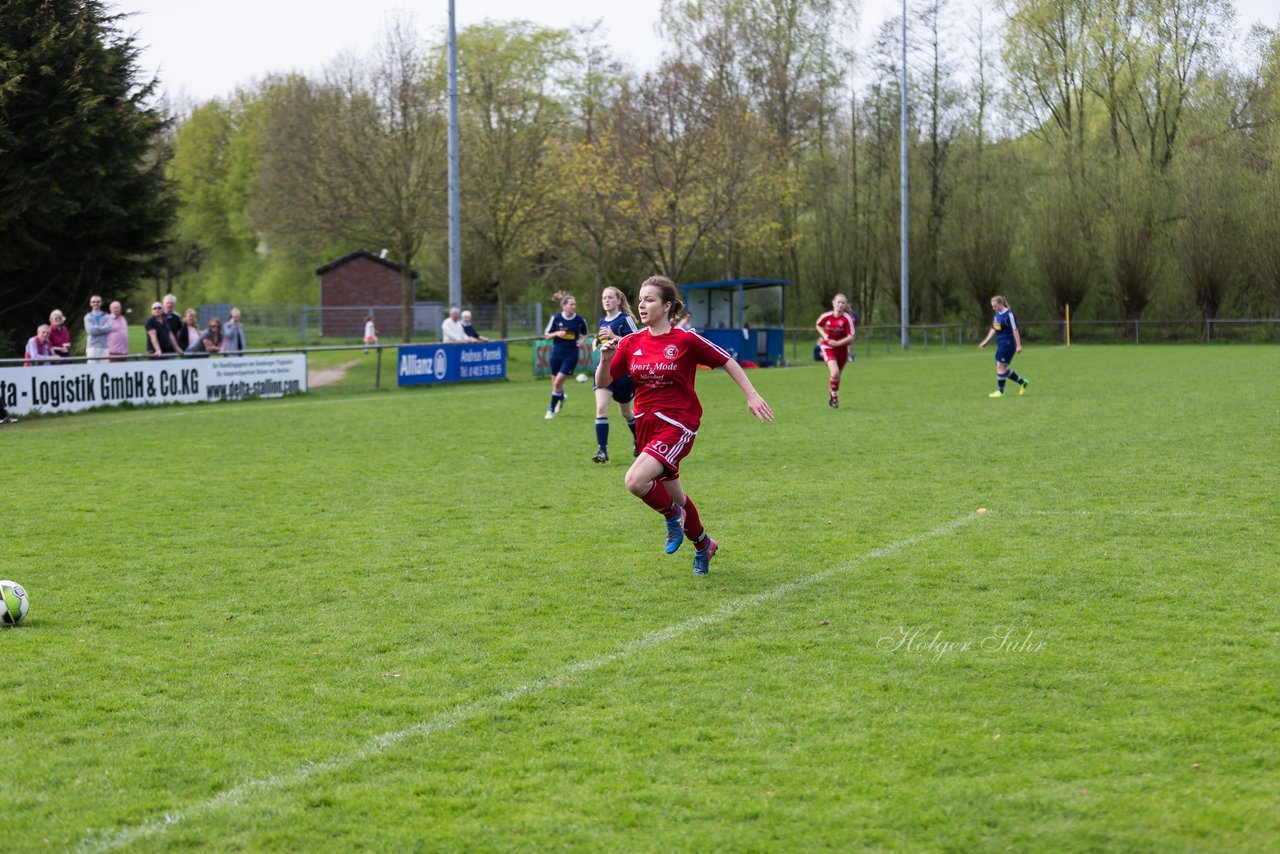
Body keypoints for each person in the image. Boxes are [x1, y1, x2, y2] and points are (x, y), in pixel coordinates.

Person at [595, 276, 773, 575]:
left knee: (635, 481)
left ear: (667, 306)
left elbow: (726, 360)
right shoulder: (630, 343)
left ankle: (672, 516)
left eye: (649, 299)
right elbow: (603, 382)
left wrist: (751, 394)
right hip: (646, 426)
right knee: (677, 495)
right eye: (640, 299)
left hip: (678, 424)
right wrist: (604, 359)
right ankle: (704, 545)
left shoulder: (685, 340)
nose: (642, 304)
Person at [591, 286, 639, 463]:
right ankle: (602, 451)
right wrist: (598, 341)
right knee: (601, 408)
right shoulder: (602, 321)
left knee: (626, 413)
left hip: (623, 373)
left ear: (618, 301)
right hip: (604, 370)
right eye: (604, 298)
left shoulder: (626, 320)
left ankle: (638, 439)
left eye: (610, 297)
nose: (606, 300)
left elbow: (638, 343)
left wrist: (614, 335)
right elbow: (605, 342)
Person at [543, 294, 589, 419]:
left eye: (574, 304)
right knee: (555, 384)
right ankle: (561, 397)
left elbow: (585, 334)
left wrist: (582, 341)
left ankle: (551, 409)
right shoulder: (556, 318)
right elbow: (547, 335)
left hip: (571, 354)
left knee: (558, 382)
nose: (573, 306)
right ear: (563, 306)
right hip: (556, 353)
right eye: (570, 304)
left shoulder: (579, 320)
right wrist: (557, 333)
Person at [978, 295, 1029, 398]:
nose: (993, 308)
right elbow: (994, 328)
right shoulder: (997, 314)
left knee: (1000, 366)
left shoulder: (1009, 315)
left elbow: (1015, 330)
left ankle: (1000, 391)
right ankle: (1022, 382)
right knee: (1001, 367)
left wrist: (1018, 345)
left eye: (995, 306)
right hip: (1001, 343)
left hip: (1009, 343)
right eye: (992, 306)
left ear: (1001, 304)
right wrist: (986, 341)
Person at [815, 293, 857, 409]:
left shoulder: (847, 319)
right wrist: (825, 336)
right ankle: (834, 400)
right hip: (828, 347)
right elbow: (818, 325)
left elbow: (851, 336)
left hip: (842, 349)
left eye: (843, 302)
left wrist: (838, 343)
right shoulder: (827, 316)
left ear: (845, 305)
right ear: (833, 303)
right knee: (835, 372)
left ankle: (832, 393)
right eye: (838, 302)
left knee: (837, 375)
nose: (840, 304)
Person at [83, 296, 112, 363]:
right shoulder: (87, 317)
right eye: (93, 302)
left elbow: (109, 328)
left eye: (98, 302)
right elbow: (91, 331)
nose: (96, 303)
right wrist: (102, 328)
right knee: (92, 369)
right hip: (92, 347)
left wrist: (96, 327)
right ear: (90, 304)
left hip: (104, 346)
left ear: (101, 303)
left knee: (104, 369)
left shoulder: (106, 316)